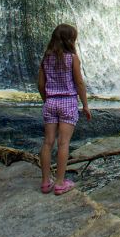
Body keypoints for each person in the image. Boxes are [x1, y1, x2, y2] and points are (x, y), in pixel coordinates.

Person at [37, 23, 92, 195]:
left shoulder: (46, 57)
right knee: (63, 143)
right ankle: (60, 183)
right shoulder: (72, 58)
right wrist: (85, 104)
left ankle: (46, 182)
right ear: (70, 40)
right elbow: (79, 83)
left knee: (48, 142)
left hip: (51, 102)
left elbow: (40, 84)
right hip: (68, 102)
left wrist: (47, 100)